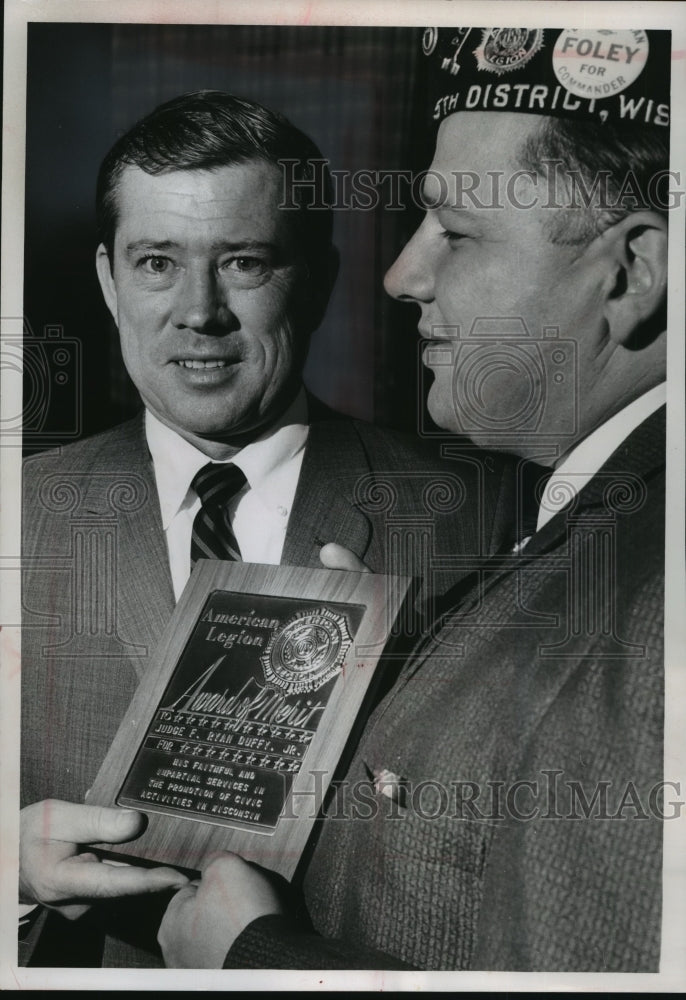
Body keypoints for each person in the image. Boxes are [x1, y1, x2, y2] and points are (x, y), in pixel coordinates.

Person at [155, 28, 671, 971]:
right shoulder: (606, 512)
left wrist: (254, 957)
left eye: (458, 234)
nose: (401, 276)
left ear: (633, 274)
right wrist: (424, 680)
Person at [20, 91, 512, 967]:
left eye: (243, 262)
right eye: (157, 263)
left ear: (317, 281)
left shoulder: (478, 522)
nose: (198, 311)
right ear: (107, 280)